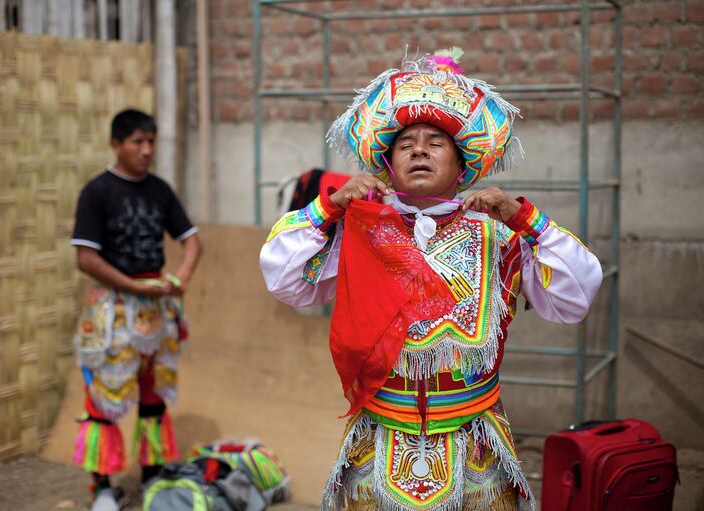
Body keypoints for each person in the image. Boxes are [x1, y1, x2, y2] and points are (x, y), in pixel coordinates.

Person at [259, 50, 602, 510]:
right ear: (390, 165)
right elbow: (283, 278)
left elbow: (576, 297)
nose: (418, 149)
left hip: (475, 448)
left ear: (461, 167)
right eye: (405, 144)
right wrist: (331, 206)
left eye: (435, 142)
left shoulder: (499, 236)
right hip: (377, 446)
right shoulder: (359, 233)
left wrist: (525, 218)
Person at [70, 109, 202, 511]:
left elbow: (192, 239)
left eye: (151, 142)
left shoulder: (159, 190)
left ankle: (151, 477)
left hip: (154, 309)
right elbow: (86, 259)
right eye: (137, 142)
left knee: (152, 394)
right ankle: (103, 489)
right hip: (113, 309)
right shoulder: (97, 192)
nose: (146, 150)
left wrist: (179, 277)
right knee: (105, 397)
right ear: (116, 144)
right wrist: (131, 285)